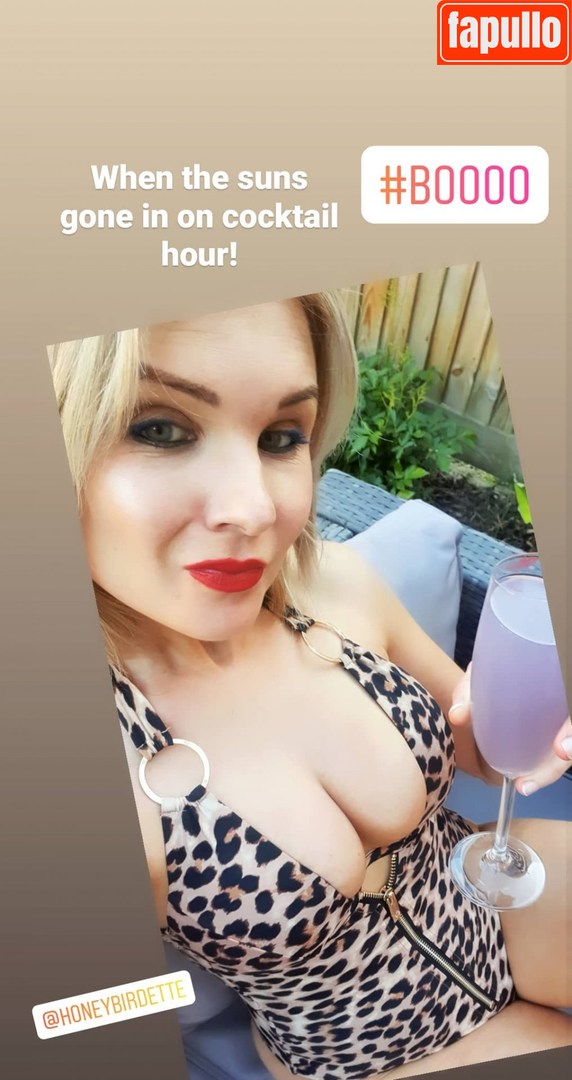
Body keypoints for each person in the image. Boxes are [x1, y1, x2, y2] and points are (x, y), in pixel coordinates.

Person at [48, 294, 572, 1080]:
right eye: (160, 429)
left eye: (281, 437)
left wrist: (534, 727)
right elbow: (64, 1017)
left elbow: (485, 754)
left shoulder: (338, 587)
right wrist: (163, 1001)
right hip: (365, 1048)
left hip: (487, 892)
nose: (256, 509)